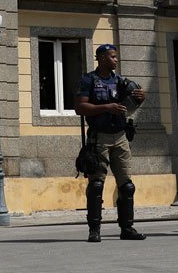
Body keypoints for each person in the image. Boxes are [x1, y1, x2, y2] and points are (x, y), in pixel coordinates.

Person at [74, 43, 147, 242]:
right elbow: (80, 107)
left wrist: (141, 97)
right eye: (112, 57)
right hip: (99, 138)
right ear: (102, 58)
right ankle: (94, 229)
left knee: (127, 185)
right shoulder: (89, 79)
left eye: (116, 57)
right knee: (97, 184)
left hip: (121, 136)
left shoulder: (121, 81)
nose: (116, 60)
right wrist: (107, 107)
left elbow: (131, 104)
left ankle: (127, 228)